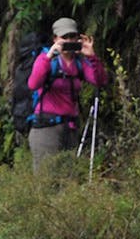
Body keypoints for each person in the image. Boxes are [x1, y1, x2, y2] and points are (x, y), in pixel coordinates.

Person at [26, 17, 104, 169]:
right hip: (46, 127)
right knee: (47, 180)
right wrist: (49, 56)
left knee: (68, 180)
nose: (69, 40)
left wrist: (91, 57)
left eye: (72, 36)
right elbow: (33, 84)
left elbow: (99, 81)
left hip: (70, 127)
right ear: (55, 39)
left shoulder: (80, 62)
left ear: (78, 38)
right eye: (64, 37)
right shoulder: (46, 59)